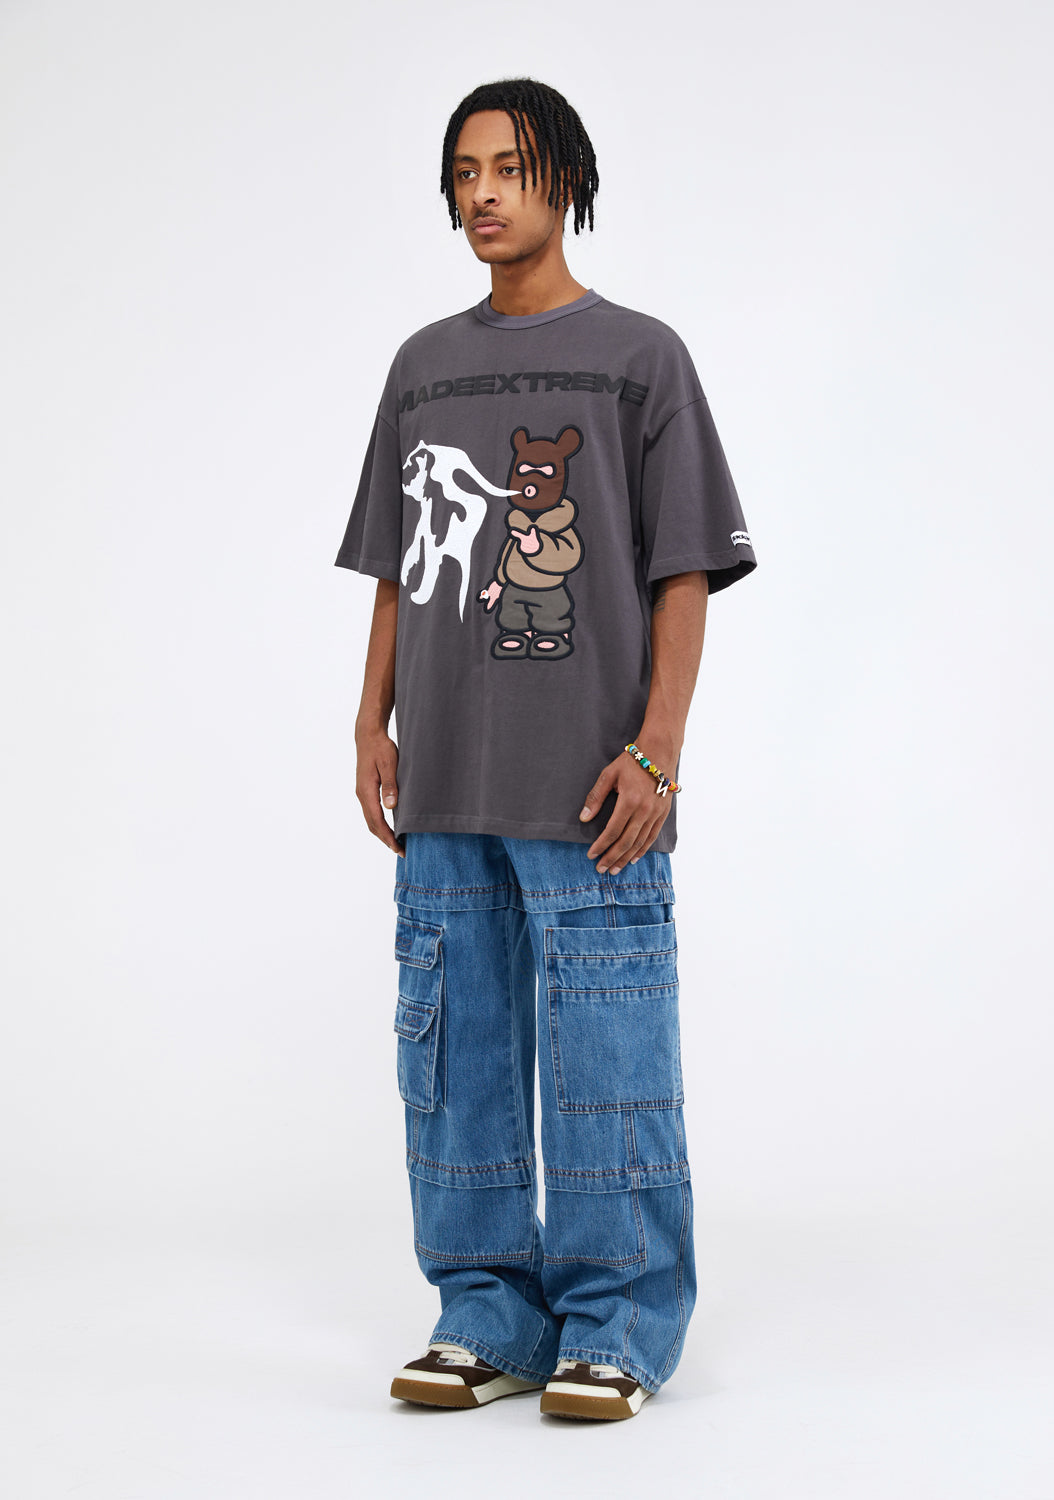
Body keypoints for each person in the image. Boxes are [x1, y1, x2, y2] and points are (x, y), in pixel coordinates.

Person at [335, 78, 756, 1421]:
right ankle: (483, 1313)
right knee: (450, 1059)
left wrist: (659, 753)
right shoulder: (421, 365)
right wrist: (369, 719)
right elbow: (399, 564)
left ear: (565, 179)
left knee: (608, 1062)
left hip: (592, 788)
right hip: (446, 778)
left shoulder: (641, 357)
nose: (483, 194)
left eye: (509, 168)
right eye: (464, 172)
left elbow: (683, 570)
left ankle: (618, 1322)